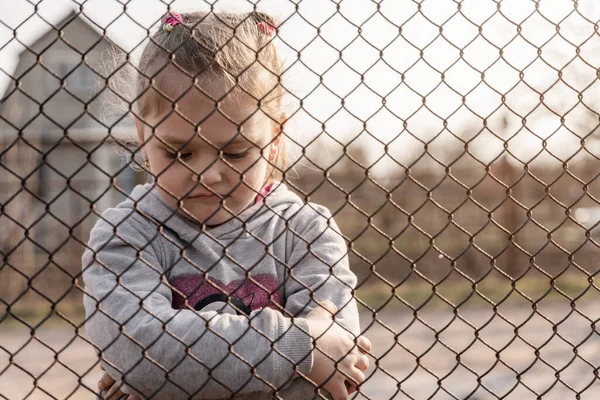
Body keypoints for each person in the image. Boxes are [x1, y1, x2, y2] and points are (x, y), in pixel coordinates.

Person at [82, 10, 371, 400]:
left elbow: (338, 369)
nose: (207, 175)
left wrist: (172, 376)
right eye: (179, 152)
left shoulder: (305, 231)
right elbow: (137, 354)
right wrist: (304, 348)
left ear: (275, 136)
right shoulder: (126, 233)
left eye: (235, 152)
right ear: (141, 135)